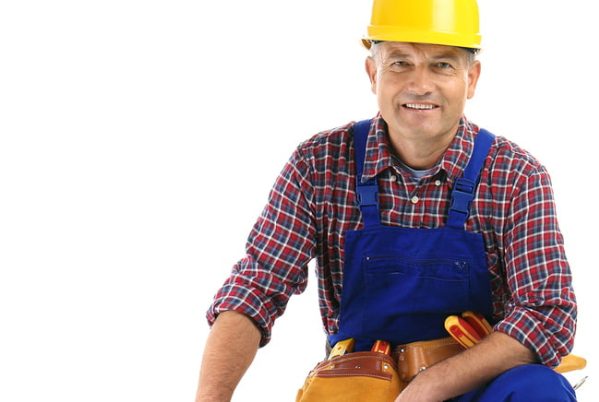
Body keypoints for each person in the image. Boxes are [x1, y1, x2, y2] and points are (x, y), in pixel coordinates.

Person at [196, 0, 577, 401]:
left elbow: (548, 314)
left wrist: (430, 385)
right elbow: (256, 287)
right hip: (361, 387)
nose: (420, 84)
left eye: (442, 65)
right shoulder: (320, 164)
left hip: (479, 386)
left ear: (472, 78)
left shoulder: (515, 176)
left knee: (539, 390)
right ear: (373, 73)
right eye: (400, 63)